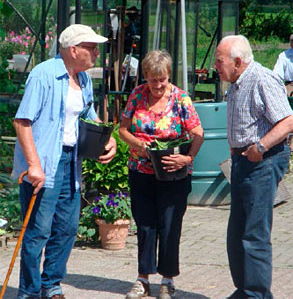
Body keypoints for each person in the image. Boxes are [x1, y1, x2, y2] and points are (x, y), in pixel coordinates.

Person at [13, 24, 117, 299]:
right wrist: (33, 165)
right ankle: (29, 292)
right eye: (91, 48)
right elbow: (22, 122)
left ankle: (51, 284)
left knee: (67, 228)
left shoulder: (83, 80)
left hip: (71, 162)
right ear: (74, 50)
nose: (96, 53)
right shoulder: (44, 74)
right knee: (38, 231)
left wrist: (110, 140)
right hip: (45, 163)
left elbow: (90, 116)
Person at [214, 35, 293, 299]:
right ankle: (245, 290)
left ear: (238, 62)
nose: (216, 67)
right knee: (236, 233)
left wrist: (259, 147)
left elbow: (288, 122)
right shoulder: (237, 81)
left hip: (262, 162)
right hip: (242, 162)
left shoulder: (262, 79)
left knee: (254, 234)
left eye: (220, 61)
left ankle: (257, 294)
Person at [119, 50, 204, 299]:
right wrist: (138, 144)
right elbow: (123, 129)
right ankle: (143, 278)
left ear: (168, 76)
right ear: (145, 76)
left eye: (162, 79)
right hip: (141, 170)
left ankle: (168, 279)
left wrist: (187, 158)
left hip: (173, 172)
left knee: (169, 225)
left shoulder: (180, 99)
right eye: (153, 80)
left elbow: (199, 133)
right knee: (145, 224)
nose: (157, 85)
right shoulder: (137, 95)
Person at [273, 32, 293, 164]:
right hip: (290, 86)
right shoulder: (284, 56)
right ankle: (287, 152)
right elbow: (276, 75)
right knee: (289, 120)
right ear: (291, 45)